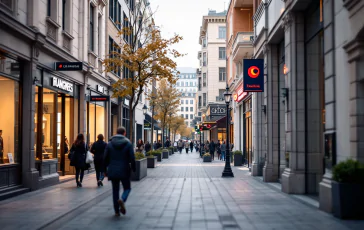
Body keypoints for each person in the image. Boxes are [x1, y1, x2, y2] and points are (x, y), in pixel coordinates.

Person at [104, 127, 136, 216]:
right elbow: (132, 158)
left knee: (115, 190)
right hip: (124, 170)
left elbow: (105, 158)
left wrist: (104, 170)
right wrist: (133, 168)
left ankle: (116, 211)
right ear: (124, 133)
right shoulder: (128, 144)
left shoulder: (109, 144)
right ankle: (122, 199)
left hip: (113, 170)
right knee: (127, 188)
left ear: (116, 132)